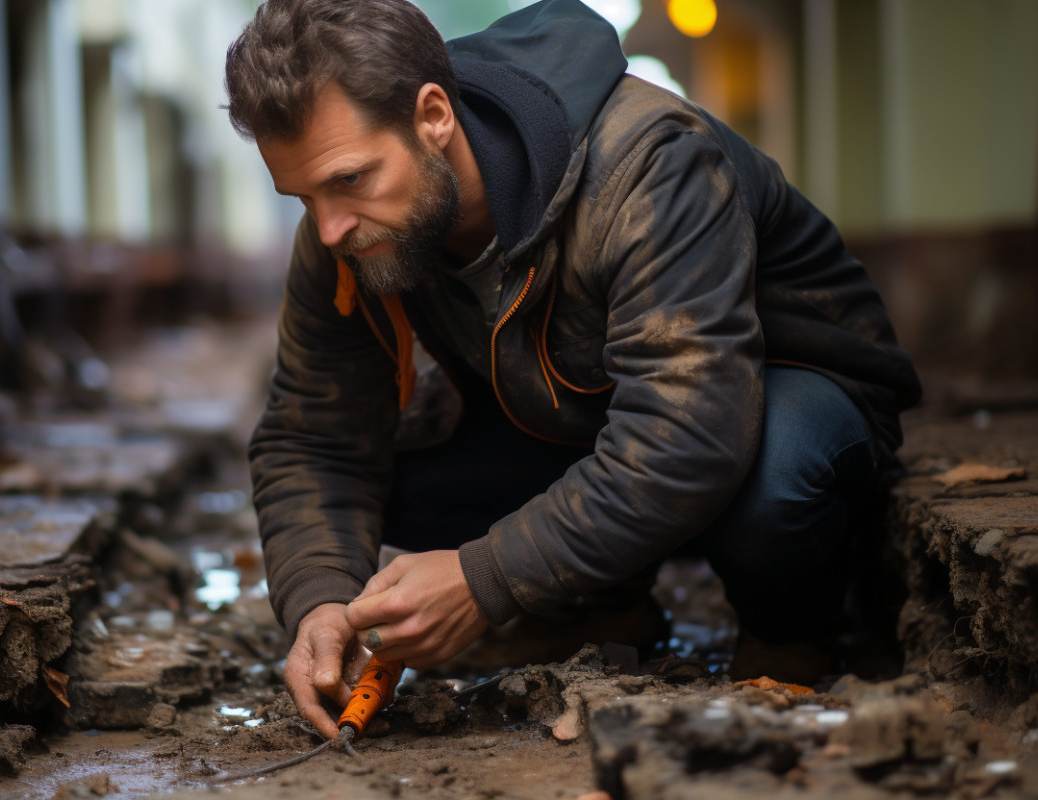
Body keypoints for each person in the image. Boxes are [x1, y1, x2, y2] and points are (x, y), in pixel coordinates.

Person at [224, 0, 921, 739]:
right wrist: (321, 600)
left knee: (776, 475)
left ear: (433, 117)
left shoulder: (649, 163)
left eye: (350, 179)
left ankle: (789, 635)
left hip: (782, 395)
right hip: (584, 411)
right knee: (403, 468)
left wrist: (485, 579)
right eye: (303, 197)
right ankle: (600, 605)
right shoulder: (342, 228)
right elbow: (314, 438)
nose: (329, 228)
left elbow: (690, 431)